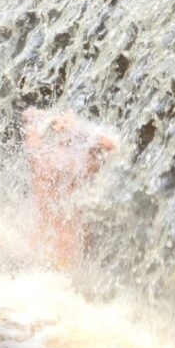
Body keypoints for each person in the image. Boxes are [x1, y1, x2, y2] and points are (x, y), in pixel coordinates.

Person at [22, 108, 118, 267]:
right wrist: (78, 128)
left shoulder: (40, 157)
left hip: (38, 247)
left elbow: (29, 117)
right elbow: (111, 145)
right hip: (64, 254)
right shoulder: (80, 165)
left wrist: (52, 118)